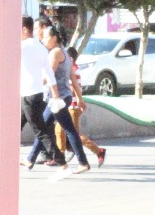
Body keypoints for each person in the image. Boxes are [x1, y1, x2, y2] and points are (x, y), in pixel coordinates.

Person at [34, 26, 91, 174]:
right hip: (63, 97)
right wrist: (80, 99)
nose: (43, 40)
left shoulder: (55, 53)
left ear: (54, 38)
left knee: (64, 129)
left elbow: (48, 77)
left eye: (46, 37)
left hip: (56, 99)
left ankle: (81, 162)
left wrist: (33, 86)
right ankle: (30, 158)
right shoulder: (65, 53)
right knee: (43, 127)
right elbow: (73, 79)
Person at [19, 14, 61, 169]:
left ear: (24, 29)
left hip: (28, 95)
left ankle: (62, 163)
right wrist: (56, 95)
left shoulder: (23, 47)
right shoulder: (41, 48)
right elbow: (49, 74)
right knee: (15, 127)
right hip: (36, 94)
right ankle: (1, 160)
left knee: (41, 131)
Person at [57, 45, 107, 167]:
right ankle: (60, 156)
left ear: (71, 59)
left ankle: (98, 151)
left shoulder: (72, 70)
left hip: (72, 106)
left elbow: (74, 87)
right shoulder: (72, 69)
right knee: (60, 131)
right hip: (70, 106)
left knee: (70, 133)